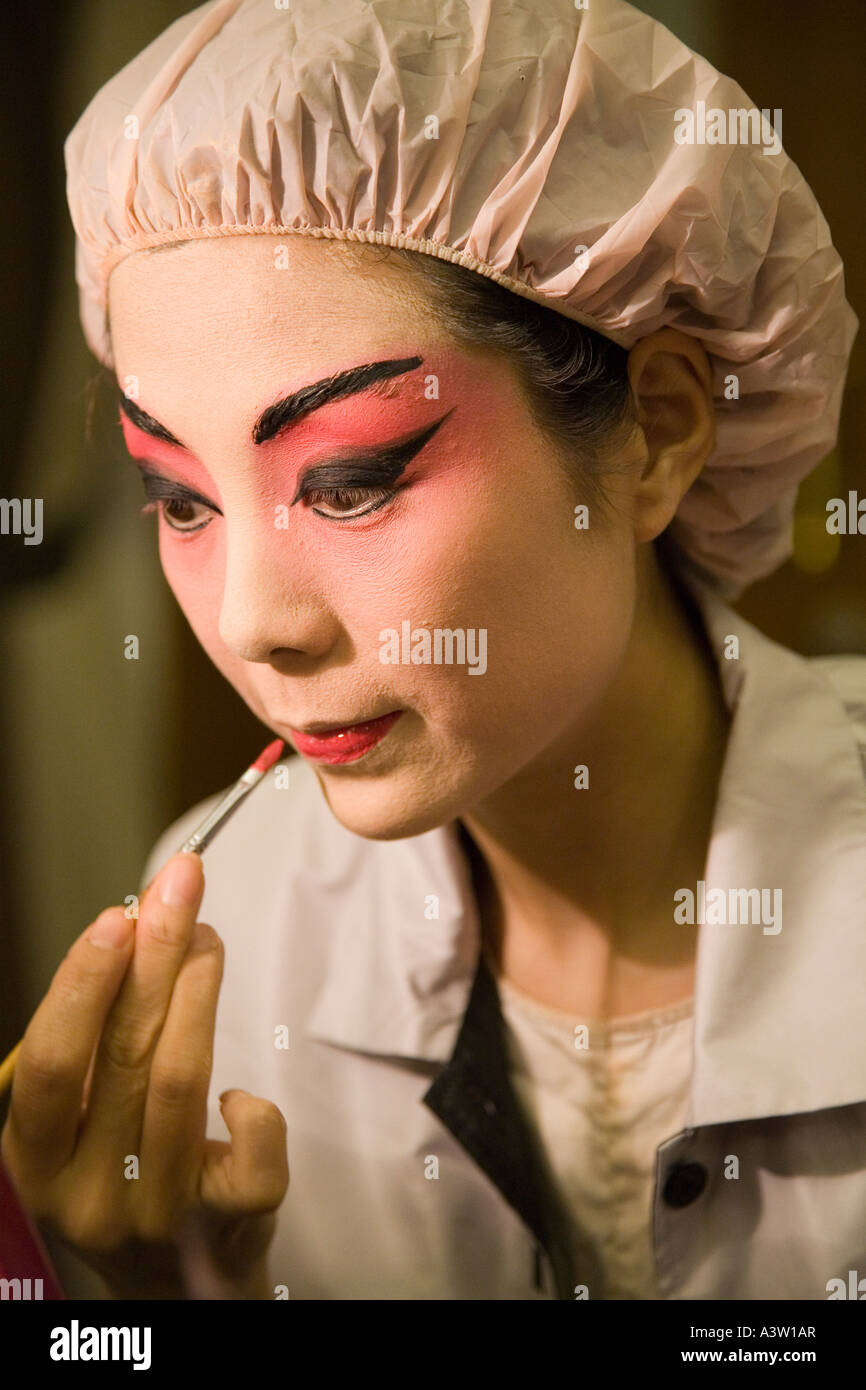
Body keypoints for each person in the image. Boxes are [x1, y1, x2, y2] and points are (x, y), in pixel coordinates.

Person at [2, 0, 863, 1300]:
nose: (251, 622)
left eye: (346, 482)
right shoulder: (230, 924)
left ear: (661, 429)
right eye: (181, 500)